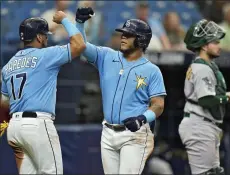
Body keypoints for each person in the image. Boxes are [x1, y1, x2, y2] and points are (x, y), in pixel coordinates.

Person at [75, 7, 167, 174]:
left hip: (135, 134)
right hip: (108, 132)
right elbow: (80, 46)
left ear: (141, 40)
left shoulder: (152, 70)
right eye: (122, 33)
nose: (123, 37)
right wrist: (79, 24)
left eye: (128, 34)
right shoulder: (107, 56)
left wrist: (142, 119)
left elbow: (158, 105)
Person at [0, 11, 86, 174]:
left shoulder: (8, 65)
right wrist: (66, 21)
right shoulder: (46, 55)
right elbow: (79, 45)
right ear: (39, 37)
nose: (47, 38)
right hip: (37, 125)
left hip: (15, 127)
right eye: (45, 35)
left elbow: (3, 101)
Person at [178, 19, 230, 175]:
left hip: (204, 124)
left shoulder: (207, 66)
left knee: (213, 172)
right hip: (199, 125)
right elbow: (206, 100)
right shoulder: (202, 68)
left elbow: (210, 95)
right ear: (203, 45)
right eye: (214, 42)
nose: (219, 45)